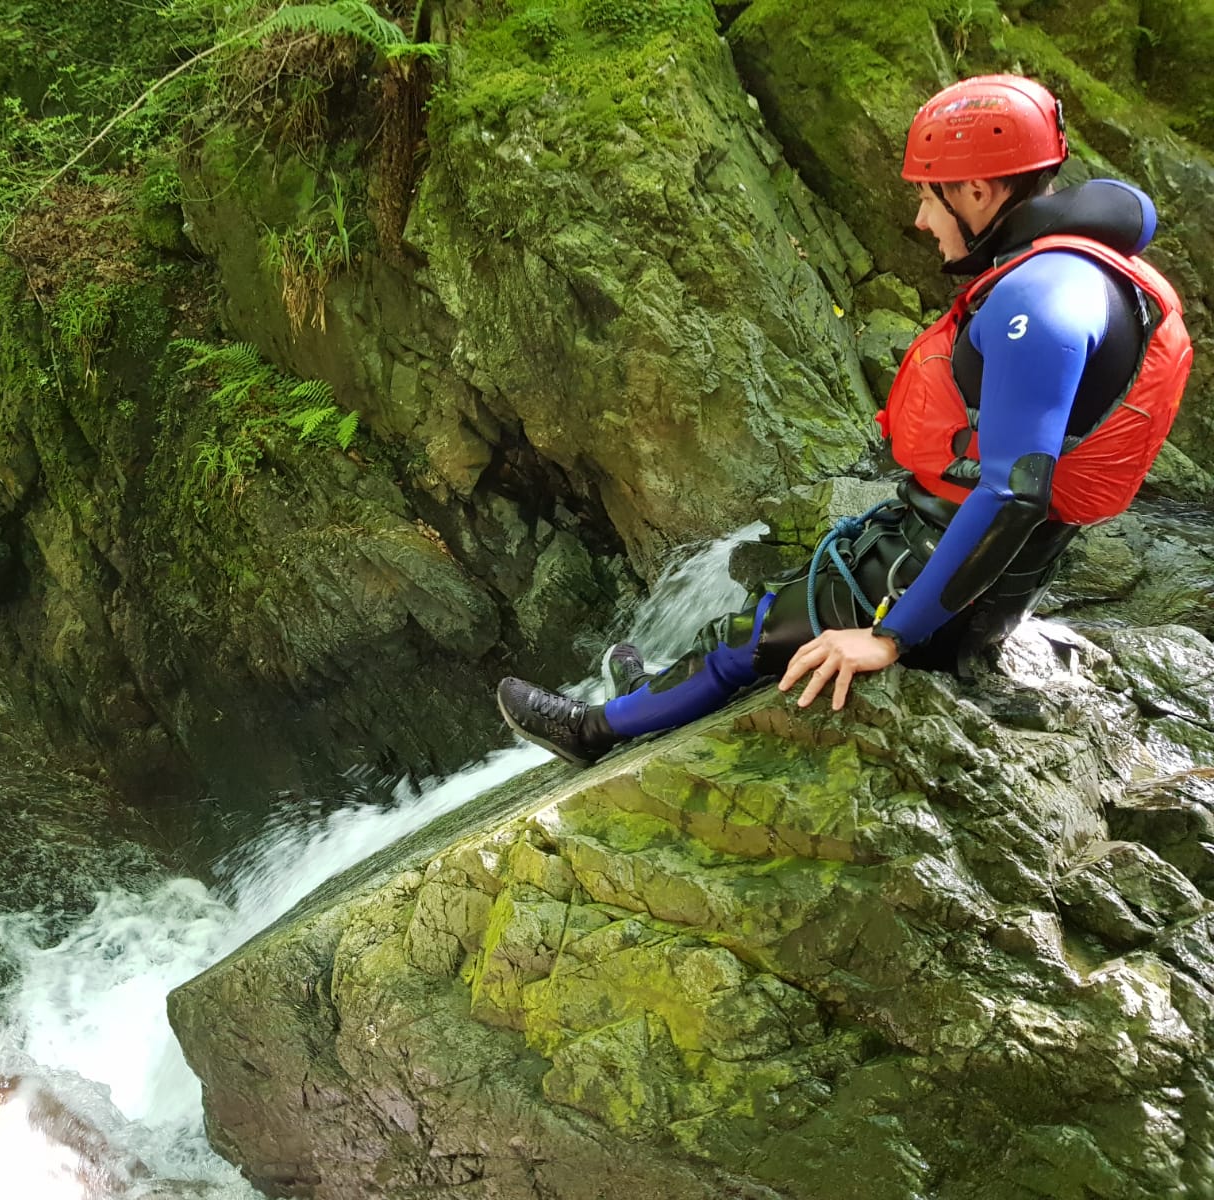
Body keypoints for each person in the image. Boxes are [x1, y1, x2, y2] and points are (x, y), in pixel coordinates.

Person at [498, 74, 1193, 766]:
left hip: (939, 586)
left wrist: (892, 635)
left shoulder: (1037, 300)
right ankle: (651, 690)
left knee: (744, 641)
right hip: (981, 569)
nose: (920, 220)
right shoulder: (1090, 272)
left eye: (929, 196)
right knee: (777, 601)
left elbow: (1014, 491)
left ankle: (590, 731)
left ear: (978, 192)